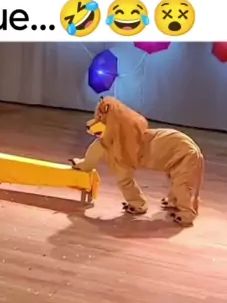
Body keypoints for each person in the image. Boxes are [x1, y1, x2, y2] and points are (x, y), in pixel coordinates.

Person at [71, 97, 204, 226]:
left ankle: (186, 213)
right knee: (174, 179)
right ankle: (153, 202)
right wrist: (85, 164)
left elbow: (122, 175)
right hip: (174, 147)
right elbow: (96, 151)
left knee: (181, 184)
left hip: (183, 153)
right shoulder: (114, 142)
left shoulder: (124, 144)